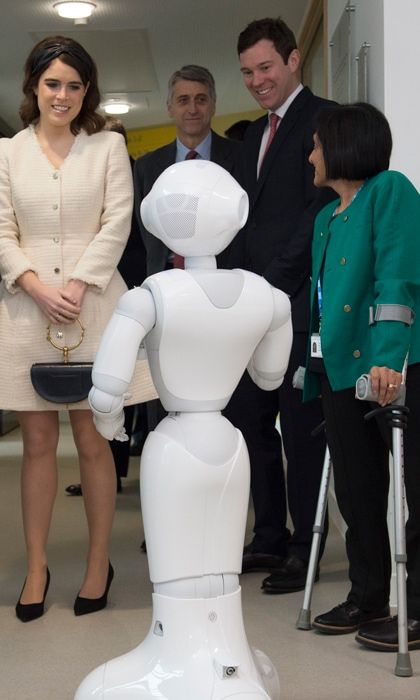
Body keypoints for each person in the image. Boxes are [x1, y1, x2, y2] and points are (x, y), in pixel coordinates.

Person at [0, 35, 149, 622]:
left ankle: (95, 563)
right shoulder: (7, 153)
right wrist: (34, 283)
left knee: (94, 441)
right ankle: (36, 566)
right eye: (52, 83)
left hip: (92, 308)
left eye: (74, 85)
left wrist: (80, 283)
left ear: (87, 92)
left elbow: (118, 221)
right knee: (36, 443)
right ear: (33, 86)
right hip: (27, 307)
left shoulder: (108, 146)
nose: (62, 95)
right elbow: (2, 232)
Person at [223, 17, 336, 593]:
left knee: (299, 429)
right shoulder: (251, 137)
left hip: (294, 305)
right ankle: (267, 535)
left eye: (265, 67)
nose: (257, 80)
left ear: (293, 60)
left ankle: (303, 546)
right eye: (247, 72)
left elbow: (318, 212)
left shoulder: (325, 120)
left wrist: (270, 282)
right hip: (251, 306)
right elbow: (244, 218)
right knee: (249, 424)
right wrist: (238, 290)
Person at [304, 102, 420, 650]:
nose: (311, 156)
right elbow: (322, 304)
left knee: (416, 489)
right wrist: (312, 363)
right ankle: (367, 595)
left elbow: (398, 276)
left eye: (318, 145)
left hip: (391, 367)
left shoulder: (389, 191)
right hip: (341, 370)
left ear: (344, 145)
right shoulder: (325, 219)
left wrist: (389, 356)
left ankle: (417, 608)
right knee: (356, 491)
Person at [65, 116, 148, 497]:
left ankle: (119, 468)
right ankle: (109, 472)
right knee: (104, 384)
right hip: (87, 290)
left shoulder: (133, 175)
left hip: (127, 286)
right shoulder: (77, 176)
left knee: (125, 386)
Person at [133, 64, 241, 278]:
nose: (193, 109)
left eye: (201, 99)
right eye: (183, 100)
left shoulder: (241, 157)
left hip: (226, 277)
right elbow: (144, 231)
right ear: (169, 108)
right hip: (165, 277)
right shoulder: (146, 167)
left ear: (213, 105)